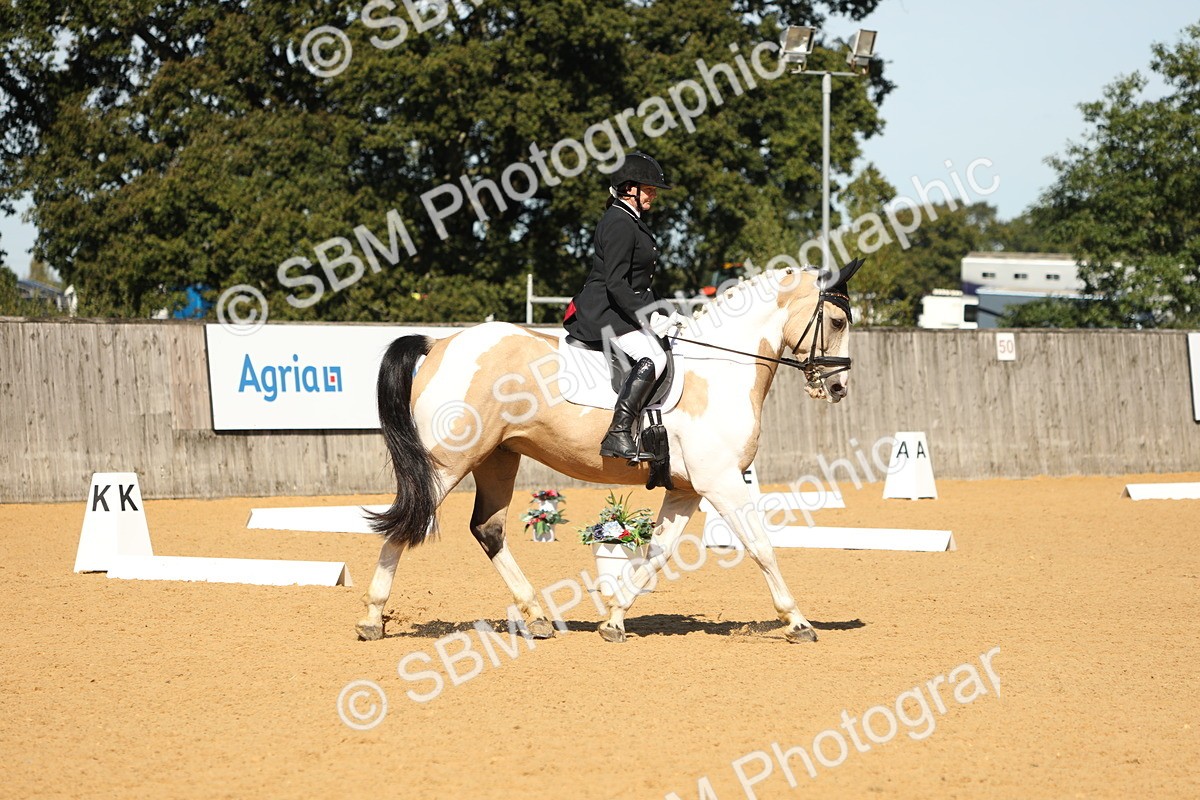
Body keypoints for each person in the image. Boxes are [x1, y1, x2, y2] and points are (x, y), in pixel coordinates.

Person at [563, 153, 688, 461]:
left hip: (620, 307)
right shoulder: (619, 222)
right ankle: (618, 433)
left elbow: (639, 282)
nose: (655, 194)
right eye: (650, 188)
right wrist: (647, 318)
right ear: (629, 188)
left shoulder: (629, 220)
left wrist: (665, 309)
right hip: (605, 311)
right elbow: (617, 283)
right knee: (653, 356)